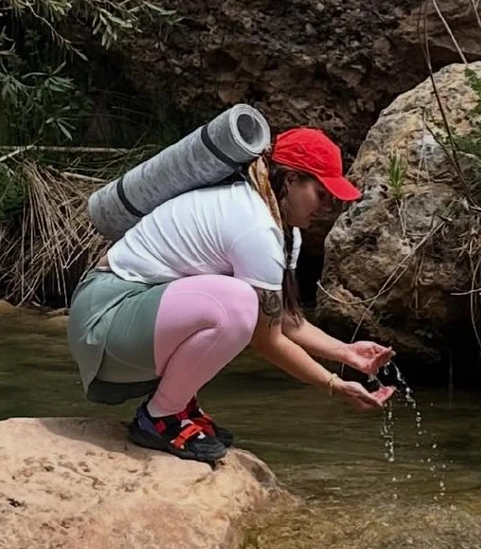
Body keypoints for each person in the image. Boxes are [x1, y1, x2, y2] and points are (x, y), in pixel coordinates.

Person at [68, 126, 393, 464]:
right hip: (104, 320)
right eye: (322, 193)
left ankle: (177, 407)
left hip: (128, 326)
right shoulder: (254, 226)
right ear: (291, 180)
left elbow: (280, 317)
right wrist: (333, 385)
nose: (328, 207)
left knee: (239, 303)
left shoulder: (282, 232)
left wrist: (346, 354)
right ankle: (159, 417)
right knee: (236, 303)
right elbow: (266, 339)